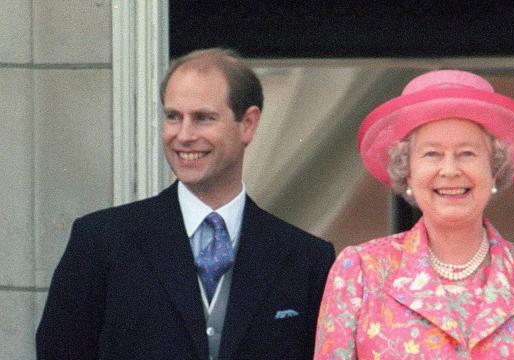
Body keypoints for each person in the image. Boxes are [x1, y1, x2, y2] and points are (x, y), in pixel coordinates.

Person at [37, 48, 335, 360]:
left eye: (203, 118)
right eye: (173, 117)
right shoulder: (101, 242)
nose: (184, 135)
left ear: (247, 124)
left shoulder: (308, 259)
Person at [314, 70, 514, 359]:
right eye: (432, 154)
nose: (450, 170)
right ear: (407, 171)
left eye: (467, 153)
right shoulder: (361, 272)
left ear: (494, 168)